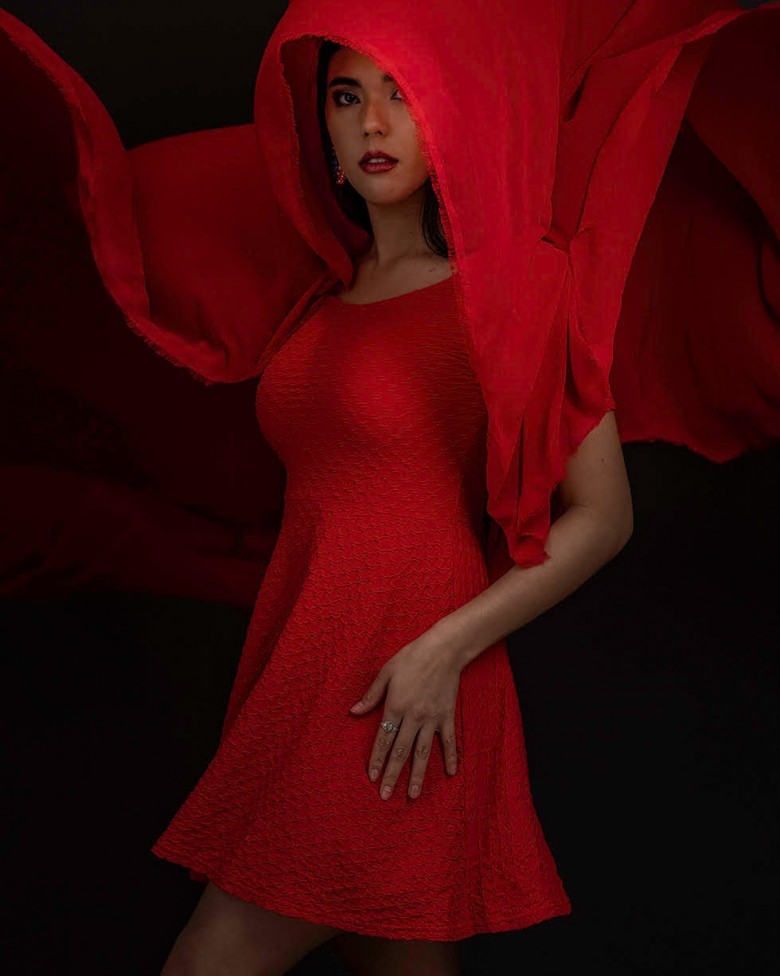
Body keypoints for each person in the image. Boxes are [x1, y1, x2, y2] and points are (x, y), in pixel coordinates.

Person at [1, 2, 779, 975]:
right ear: (318, 128)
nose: (372, 123)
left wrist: (440, 652)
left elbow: (604, 515)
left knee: (213, 958)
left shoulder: (515, 290)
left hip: (405, 681)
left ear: (447, 112)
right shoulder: (316, 301)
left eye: (401, 94)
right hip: (307, 663)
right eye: (346, 95)